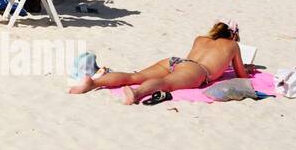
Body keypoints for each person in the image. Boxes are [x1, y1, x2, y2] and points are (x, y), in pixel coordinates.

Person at [69, 22, 249, 105]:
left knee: (135, 76)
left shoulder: (200, 38)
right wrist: (250, 69)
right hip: (197, 70)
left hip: (177, 62)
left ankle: (92, 82)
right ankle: (136, 92)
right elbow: (242, 75)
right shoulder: (233, 45)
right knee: (166, 84)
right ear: (233, 35)